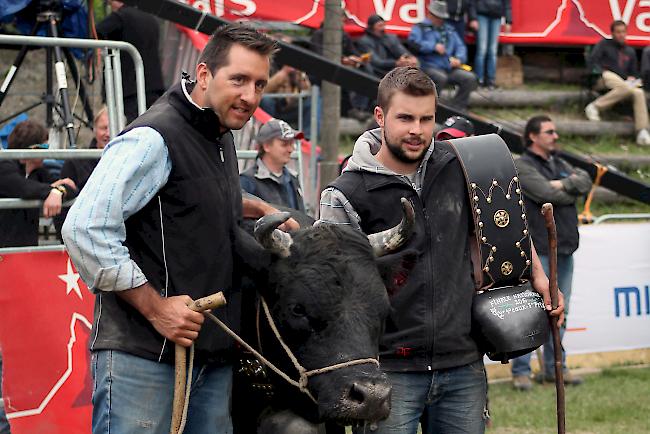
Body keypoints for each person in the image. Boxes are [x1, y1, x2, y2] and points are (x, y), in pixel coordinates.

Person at [61, 24, 282, 434]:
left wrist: (256, 207)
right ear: (203, 74)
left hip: (209, 357)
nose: (250, 96)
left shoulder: (219, 132)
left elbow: (185, 196)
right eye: (238, 79)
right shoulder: (153, 137)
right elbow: (85, 227)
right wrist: (155, 307)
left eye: (259, 83)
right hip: (145, 356)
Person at [318, 66, 563, 433]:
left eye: (426, 118)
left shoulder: (464, 166)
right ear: (380, 116)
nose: (416, 130)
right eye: (405, 118)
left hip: (462, 362)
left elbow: (508, 223)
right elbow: (331, 290)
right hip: (387, 370)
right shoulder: (345, 194)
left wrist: (541, 277)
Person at [510, 115, 591, 391]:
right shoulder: (522, 164)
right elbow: (546, 193)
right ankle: (521, 372)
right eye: (549, 132)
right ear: (533, 136)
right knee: (531, 312)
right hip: (540, 251)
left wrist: (560, 184)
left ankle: (554, 369)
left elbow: (586, 180)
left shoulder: (559, 162)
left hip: (565, 247)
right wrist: (564, 185)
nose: (555, 136)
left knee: (560, 311)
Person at [0, 120, 76, 248]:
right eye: (45, 147)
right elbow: (23, 188)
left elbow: (71, 188)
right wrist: (52, 190)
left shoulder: (39, 173)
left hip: (26, 251)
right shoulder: (4, 166)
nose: (47, 153)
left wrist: (59, 190)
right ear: (32, 148)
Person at [96, 0, 165, 123]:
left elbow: (96, 32)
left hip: (128, 89)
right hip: (153, 88)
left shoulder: (121, 16)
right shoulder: (151, 18)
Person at [585, 20, 650, 146]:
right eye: (618, 32)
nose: (621, 35)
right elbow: (593, 62)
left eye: (623, 32)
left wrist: (633, 77)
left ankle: (642, 131)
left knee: (638, 92)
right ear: (613, 33)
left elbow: (634, 72)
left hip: (623, 84)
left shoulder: (630, 51)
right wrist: (600, 72)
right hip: (603, 78)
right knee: (618, 81)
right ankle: (596, 106)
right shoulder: (604, 44)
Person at [408, 0, 478, 110]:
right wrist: (433, 46)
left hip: (448, 67)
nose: (441, 20)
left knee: (469, 78)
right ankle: (430, 108)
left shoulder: (449, 29)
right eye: (438, 17)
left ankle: (457, 108)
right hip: (428, 66)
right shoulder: (419, 27)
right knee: (440, 78)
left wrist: (459, 59)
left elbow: (461, 46)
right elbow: (413, 43)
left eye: (442, 17)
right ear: (430, 14)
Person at [53, 107, 111, 237]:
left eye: (112, 128)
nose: (108, 133)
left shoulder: (129, 159)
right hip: (84, 236)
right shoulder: (76, 161)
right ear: (94, 129)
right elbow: (63, 208)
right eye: (104, 128)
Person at [240, 119, 305, 211]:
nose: (291, 149)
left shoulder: (293, 178)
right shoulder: (247, 181)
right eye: (284, 144)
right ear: (266, 146)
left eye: (292, 144)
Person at [473, 0, 512, 89]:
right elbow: (472, 2)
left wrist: (508, 21)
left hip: (496, 16)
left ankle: (491, 80)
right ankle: (479, 80)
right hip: (481, 14)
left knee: (493, 51)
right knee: (482, 50)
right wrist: (473, 18)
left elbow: (507, 3)